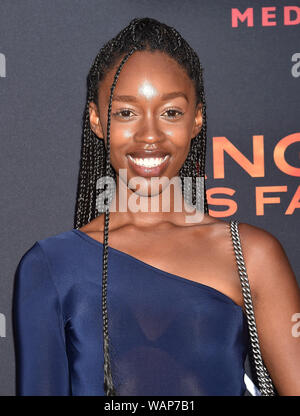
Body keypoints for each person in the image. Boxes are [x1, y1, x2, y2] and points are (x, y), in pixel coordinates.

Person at [13, 17, 300, 397]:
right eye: (126, 113)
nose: (150, 135)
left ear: (197, 119)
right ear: (97, 120)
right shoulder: (50, 265)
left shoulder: (250, 254)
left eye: (171, 112)